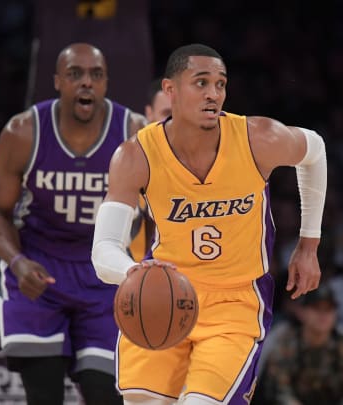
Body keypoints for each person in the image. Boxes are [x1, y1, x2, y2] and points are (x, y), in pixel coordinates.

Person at [91, 43, 327, 404]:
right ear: (170, 90)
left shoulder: (257, 138)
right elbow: (103, 250)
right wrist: (134, 273)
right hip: (164, 295)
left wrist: (309, 245)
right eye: (201, 83)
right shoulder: (135, 156)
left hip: (235, 303)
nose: (213, 94)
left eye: (220, 84)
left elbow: (315, 150)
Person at [0, 43, 146, 405]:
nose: (86, 83)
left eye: (96, 75)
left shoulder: (135, 133)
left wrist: (136, 262)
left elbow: (157, 211)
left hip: (103, 271)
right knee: (44, 394)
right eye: (75, 74)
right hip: (40, 266)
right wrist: (17, 262)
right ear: (57, 82)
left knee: (105, 392)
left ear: (106, 84)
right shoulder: (23, 132)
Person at [255, 285, 343, 405]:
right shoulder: (285, 346)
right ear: (302, 313)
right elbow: (279, 392)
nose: (323, 315)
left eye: (328, 309)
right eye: (316, 308)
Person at [127, 78, 172, 262]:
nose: (173, 121)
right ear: (149, 113)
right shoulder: (129, 163)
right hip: (132, 275)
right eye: (167, 114)